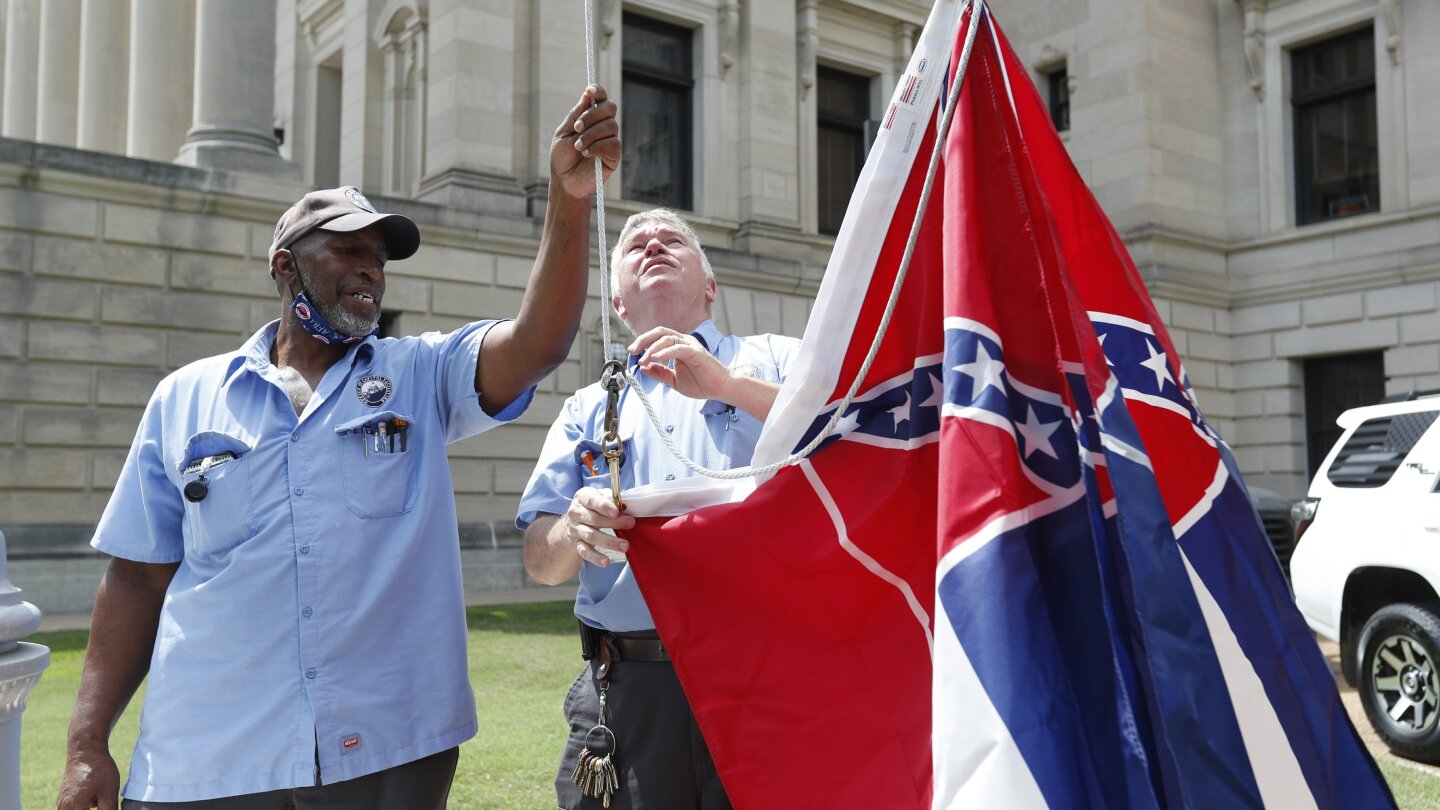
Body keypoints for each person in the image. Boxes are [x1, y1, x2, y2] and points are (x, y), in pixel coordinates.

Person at [55, 86, 620, 810]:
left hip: (385, 751)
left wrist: (569, 199)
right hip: (208, 760)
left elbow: (537, 343)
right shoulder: (185, 397)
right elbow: (135, 578)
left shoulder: (418, 373)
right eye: (348, 251)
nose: (371, 270)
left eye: (380, 258)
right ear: (285, 266)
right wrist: (84, 745)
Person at [518, 208, 800, 809]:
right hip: (628, 690)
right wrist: (573, 527)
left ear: (710, 286)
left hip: (768, 675)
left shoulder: (777, 358)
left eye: (672, 240)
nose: (652, 245)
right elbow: (541, 563)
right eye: (634, 245)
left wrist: (728, 387)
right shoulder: (587, 409)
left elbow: (850, 430)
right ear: (619, 303)